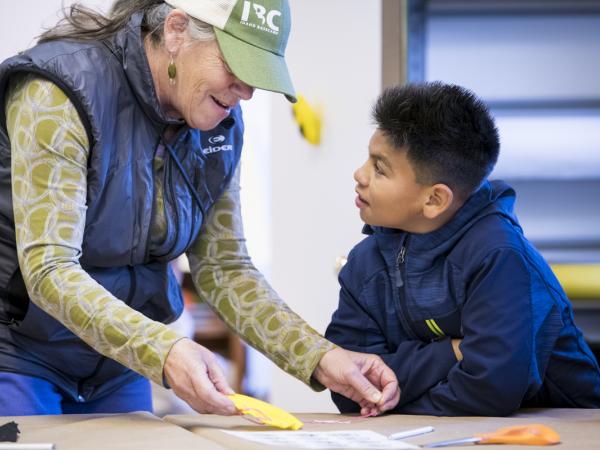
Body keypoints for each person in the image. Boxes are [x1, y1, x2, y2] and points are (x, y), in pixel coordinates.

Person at [0, 0, 399, 416]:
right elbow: (50, 269)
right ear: (176, 31)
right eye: (237, 66)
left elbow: (225, 268)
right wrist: (163, 349)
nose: (247, 91)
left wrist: (319, 356)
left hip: (116, 365)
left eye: (259, 75)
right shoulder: (57, 94)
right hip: (19, 351)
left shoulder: (220, 125)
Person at [325, 82, 600, 416]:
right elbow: (348, 388)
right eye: (367, 160)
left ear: (434, 199)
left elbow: (490, 392)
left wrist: (390, 396)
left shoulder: (499, 255)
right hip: (434, 428)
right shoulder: (365, 262)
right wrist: (451, 352)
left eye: (379, 168)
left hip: (563, 427)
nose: (359, 175)